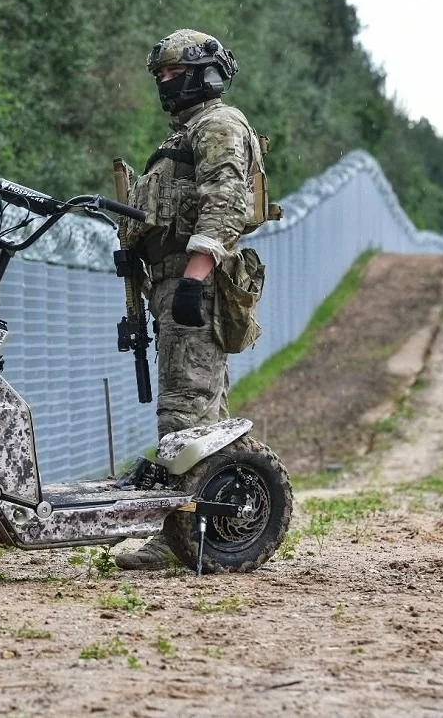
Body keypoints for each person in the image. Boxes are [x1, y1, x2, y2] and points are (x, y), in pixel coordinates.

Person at [115, 29, 265, 571]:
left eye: (174, 73)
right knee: (199, 409)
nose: (165, 83)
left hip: (191, 280)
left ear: (204, 74)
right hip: (171, 279)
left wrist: (196, 276)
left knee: (186, 410)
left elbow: (226, 199)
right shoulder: (187, 134)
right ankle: (212, 526)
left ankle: (178, 536)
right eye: (161, 75)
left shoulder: (219, 126)